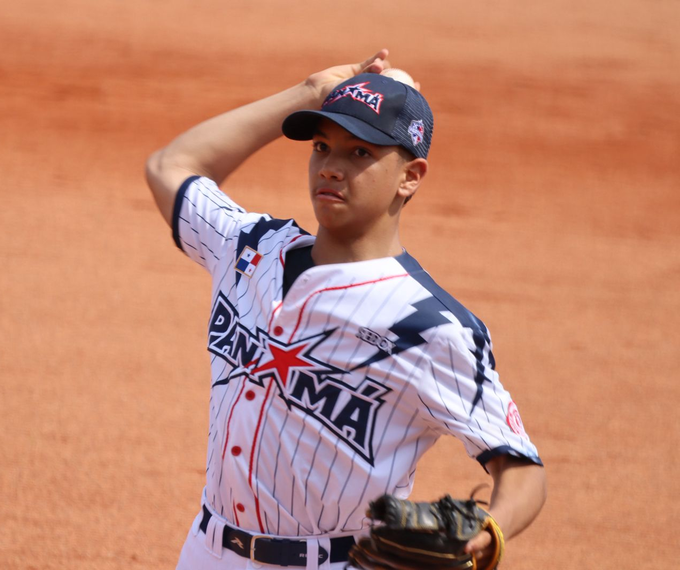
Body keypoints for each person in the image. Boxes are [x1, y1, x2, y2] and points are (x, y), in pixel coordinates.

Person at [145, 49, 547, 570]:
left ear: (411, 176)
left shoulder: (430, 327)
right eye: (321, 146)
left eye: (360, 154)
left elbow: (521, 467)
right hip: (206, 552)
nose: (331, 167)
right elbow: (170, 166)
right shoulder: (248, 248)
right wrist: (308, 94)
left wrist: (491, 531)